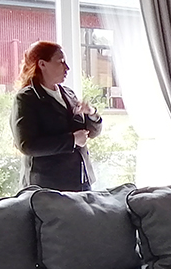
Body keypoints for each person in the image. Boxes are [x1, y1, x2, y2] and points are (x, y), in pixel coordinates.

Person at [11, 41, 102, 191]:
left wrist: (91, 113)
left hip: (81, 181)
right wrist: (72, 140)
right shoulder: (27, 98)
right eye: (61, 62)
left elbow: (90, 133)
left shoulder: (69, 93)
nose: (67, 68)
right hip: (48, 187)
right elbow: (27, 145)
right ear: (42, 64)